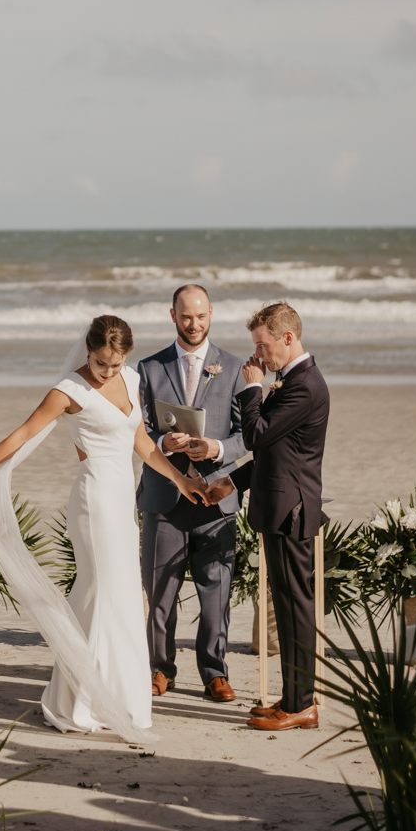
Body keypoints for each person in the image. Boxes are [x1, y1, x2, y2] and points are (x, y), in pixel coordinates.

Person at [0, 315, 206, 738]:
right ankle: (84, 703)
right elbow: (22, 433)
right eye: (101, 363)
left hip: (120, 500)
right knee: (105, 595)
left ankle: (98, 696)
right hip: (93, 501)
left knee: (112, 597)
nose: (108, 372)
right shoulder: (69, 391)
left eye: (115, 364)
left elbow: (142, 445)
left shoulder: (132, 380)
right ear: (89, 352)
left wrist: (180, 479)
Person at [207, 301, 330, 732]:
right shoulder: (290, 380)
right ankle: (294, 697)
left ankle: (301, 704)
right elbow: (276, 455)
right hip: (280, 505)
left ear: (288, 338)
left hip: (291, 511)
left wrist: (250, 390)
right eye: (256, 346)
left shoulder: (304, 385)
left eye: (264, 345)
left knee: (296, 607)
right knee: (287, 604)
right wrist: (232, 483)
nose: (259, 356)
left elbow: (257, 436)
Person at [137, 284, 246, 702]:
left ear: (212, 314)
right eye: (186, 316)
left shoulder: (233, 368)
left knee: (215, 592)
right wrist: (166, 445)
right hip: (164, 496)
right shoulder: (149, 368)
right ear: (172, 316)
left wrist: (215, 448)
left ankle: (214, 672)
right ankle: (159, 669)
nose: (194, 324)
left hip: (216, 497)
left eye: (201, 316)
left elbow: (245, 434)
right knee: (160, 592)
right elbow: (139, 429)